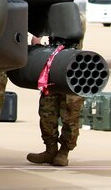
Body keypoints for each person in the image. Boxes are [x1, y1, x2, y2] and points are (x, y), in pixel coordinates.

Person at [26, 27, 86, 168]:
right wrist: (39, 35)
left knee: (70, 115)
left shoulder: (76, 17)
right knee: (47, 110)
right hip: (53, 65)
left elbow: (75, 30)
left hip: (72, 68)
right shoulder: (53, 17)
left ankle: (64, 152)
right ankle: (50, 149)